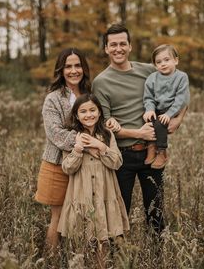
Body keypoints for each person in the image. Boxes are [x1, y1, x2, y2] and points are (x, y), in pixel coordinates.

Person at [92, 24, 187, 235]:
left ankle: (157, 258)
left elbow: (181, 87)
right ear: (106, 48)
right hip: (121, 157)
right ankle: (118, 258)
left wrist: (178, 118)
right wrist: (138, 133)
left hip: (151, 153)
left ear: (130, 46)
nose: (118, 49)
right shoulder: (101, 82)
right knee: (118, 211)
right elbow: (103, 126)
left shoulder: (149, 70)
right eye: (113, 45)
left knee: (156, 211)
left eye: (122, 44)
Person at [57, 94, 129, 262]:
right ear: (76, 115)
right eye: (83, 111)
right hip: (81, 193)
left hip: (104, 192)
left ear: (99, 112)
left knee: (102, 237)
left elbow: (117, 162)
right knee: (82, 238)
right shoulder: (73, 136)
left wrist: (101, 146)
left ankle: (101, 265)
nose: (88, 115)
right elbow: (67, 168)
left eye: (92, 110)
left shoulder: (107, 134)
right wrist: (78, 149)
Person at [35, 48, 91, 249]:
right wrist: (85, 141)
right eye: (68, 66)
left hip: (86, 165)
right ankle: (53, 261)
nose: (74, 70)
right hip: (57, 165)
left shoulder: (89, 94)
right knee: (57, 218)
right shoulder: (53, 98)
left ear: (84, 68)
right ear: (61, 69)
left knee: (84, 216)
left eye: (78, 65)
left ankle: (78, 258)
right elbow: (55, 133)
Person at [143, 44, 190, 169]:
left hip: (172, 108)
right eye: (159, 62)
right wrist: (149, 110)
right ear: (155, 65)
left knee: (160, 122)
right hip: (157, 108)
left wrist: (169, 114)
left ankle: (161, 151)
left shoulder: (181, 77)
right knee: (149, 119)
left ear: (176, 60)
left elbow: (181, 99)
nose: (163, 64)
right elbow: (149, 97)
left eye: (167, 60)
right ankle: (151, 146)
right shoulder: (152, 79)